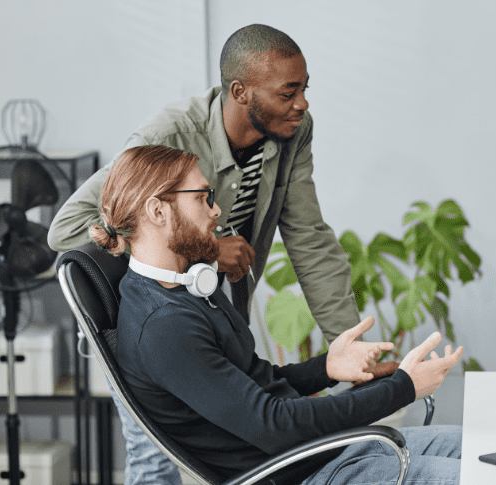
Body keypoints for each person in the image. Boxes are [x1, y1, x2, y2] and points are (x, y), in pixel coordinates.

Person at [48, 24, 398, 484]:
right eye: (288, 92)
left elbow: (309, 238)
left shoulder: (294, 130)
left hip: (213, 311)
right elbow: (66, 229)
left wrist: (351, 353)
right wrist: (208, 251)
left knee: (249, 438)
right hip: (159, 330)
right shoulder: (171, 135)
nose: (303, 103)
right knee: (155, 459)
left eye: (305, 89)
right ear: (241, 92)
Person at [90, 144, 463, 484]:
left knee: (483, 447)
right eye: (204, 198)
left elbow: (258, 382)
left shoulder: (188, 284)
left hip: (329, 453)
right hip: (309, 472)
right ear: (158, 210)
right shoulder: (163, 327)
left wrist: (327, 368)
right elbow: (274, 424)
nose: (216, 210)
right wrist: (404, 388)